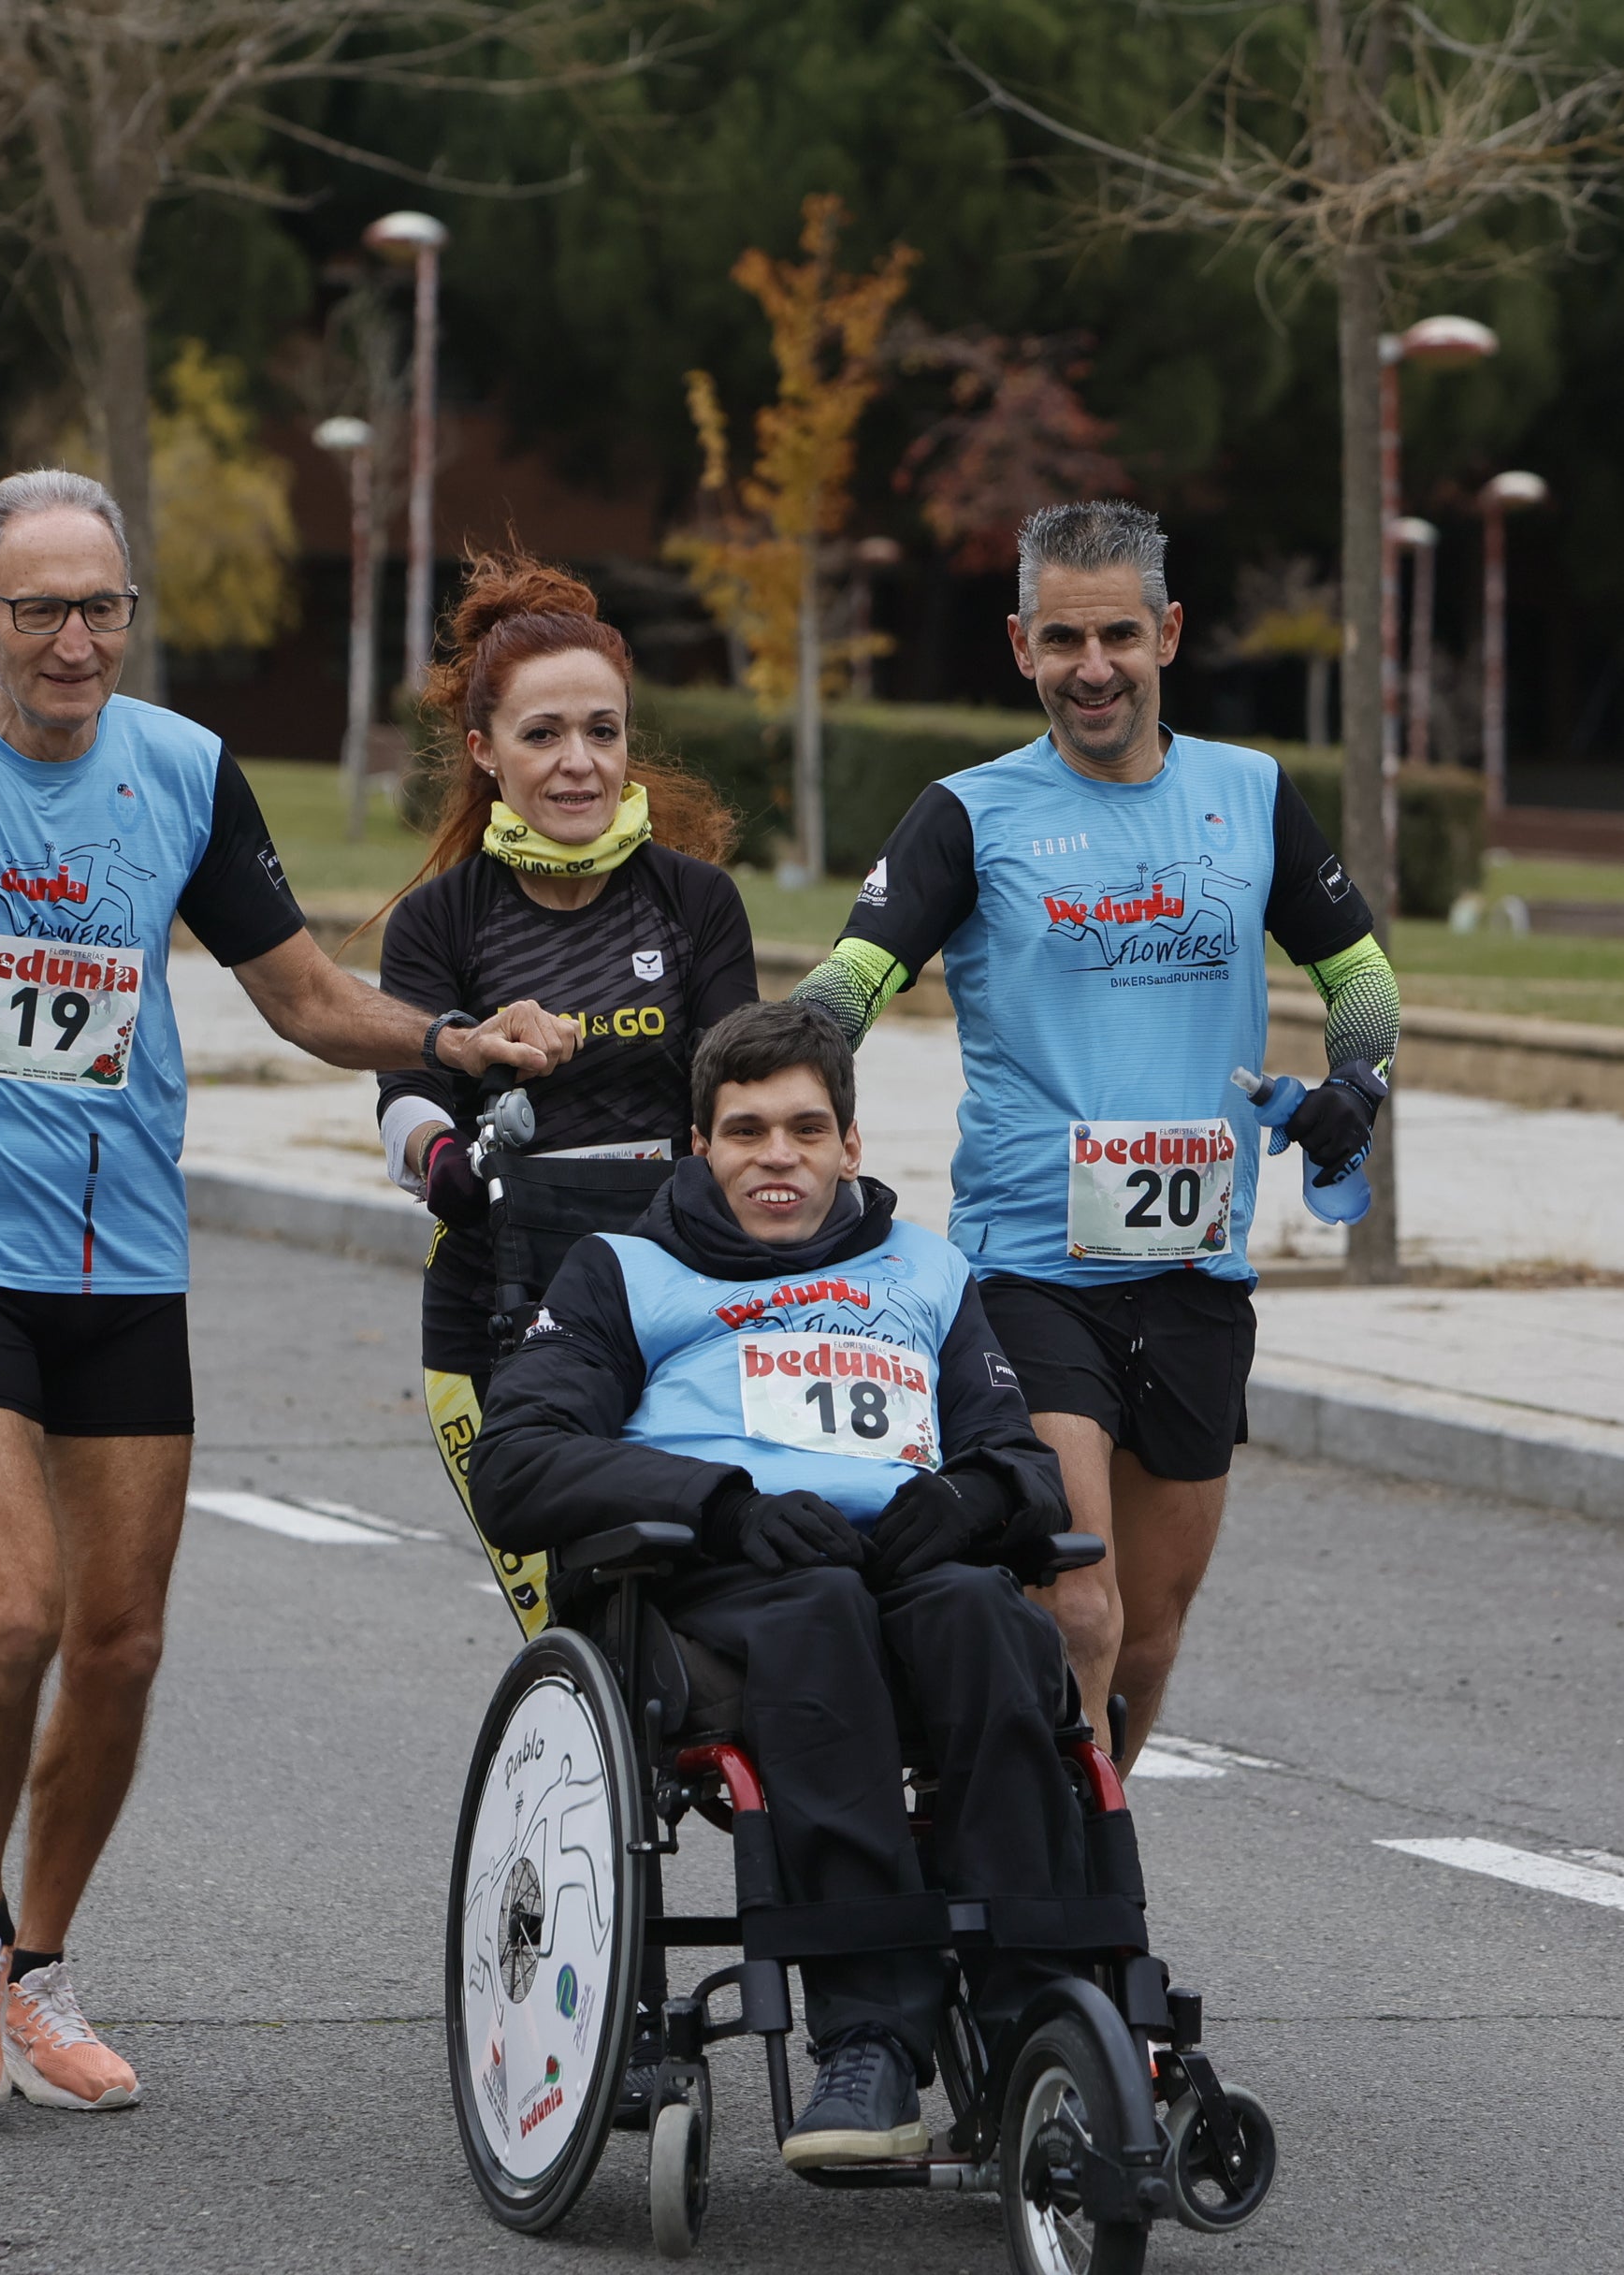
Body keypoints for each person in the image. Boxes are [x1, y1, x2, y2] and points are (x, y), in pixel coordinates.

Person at [0, 328, 573, 2111]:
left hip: (120, 1258)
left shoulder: (178, 768)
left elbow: (305, 994)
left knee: (122, 1640)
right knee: (11, 1615)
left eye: (103, 608)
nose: (76, 642)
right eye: (41, 612)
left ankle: (40, 1969)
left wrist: (451, 1042)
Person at [790, 500, 1399, 1769]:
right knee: (1076, 1606)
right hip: (1031, 1275)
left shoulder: (1251, 793)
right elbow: (853, 979)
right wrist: (782, 1073)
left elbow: (1364, 981)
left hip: (1196, 1276)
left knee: (1155, 1635)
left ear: (1168, 633)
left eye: (1120, 633)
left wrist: (1359, 1084)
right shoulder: (970, 813)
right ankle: (1047, 1871)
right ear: (1022, 647)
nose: (1094, 668)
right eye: (1064, 639)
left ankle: (1075, 1851)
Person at [472, 1000, 1099, 2170]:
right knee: (821, 1622)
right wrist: (723, 1501)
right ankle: (869, 2039)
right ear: (699, 1144)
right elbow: (516, 1458)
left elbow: (1021, 1461)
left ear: (851, 1144)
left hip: (912, 1566)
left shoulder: (928, 1268)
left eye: (807, 1129)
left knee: (992, 1625)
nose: (777, 1155)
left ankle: (1044, 2021)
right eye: (746, 1129)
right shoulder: (628, 1271)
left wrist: (970, 1501)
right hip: (732, 1574)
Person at [370, 553, 757, 1631]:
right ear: (487, 754)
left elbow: (742, 1090)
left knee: (710, 1599)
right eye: (543, 735)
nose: (578, 762)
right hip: (497, 1312)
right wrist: (453, 1147)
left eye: (603, 729)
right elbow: (404, 1100)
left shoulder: (696, 904)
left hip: (683, 1299)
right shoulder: (443, 920)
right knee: (575, 1626)